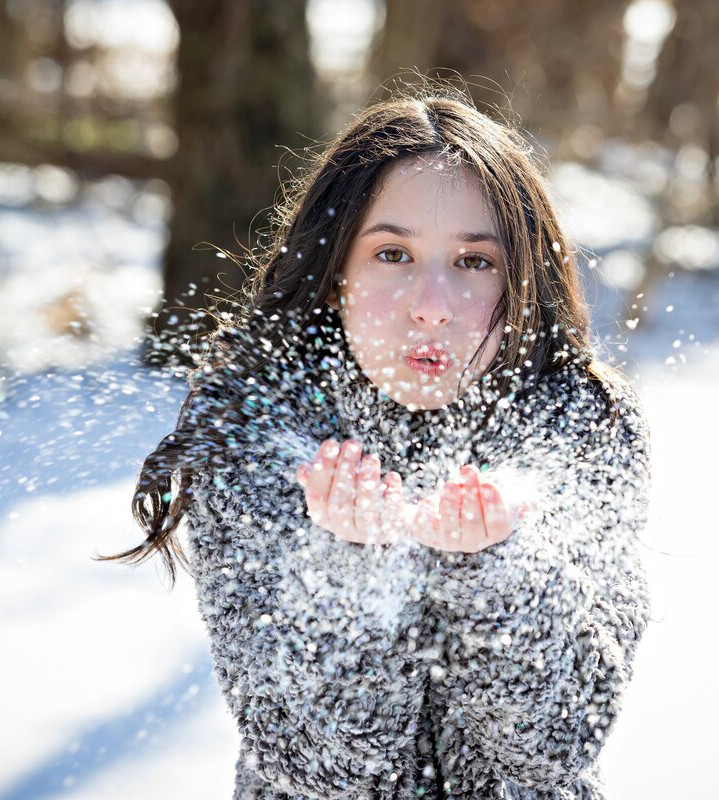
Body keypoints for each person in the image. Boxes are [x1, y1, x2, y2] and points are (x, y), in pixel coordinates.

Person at [102, 88, 653, 800]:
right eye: (393, 254)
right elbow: (315, 768)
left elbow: (557, 746)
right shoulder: (256, 428)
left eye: (475, 262)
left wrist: (490, 572)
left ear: (521, 282)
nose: (432, 304)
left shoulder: (579, 424)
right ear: (335, 274)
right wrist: (350, 575)